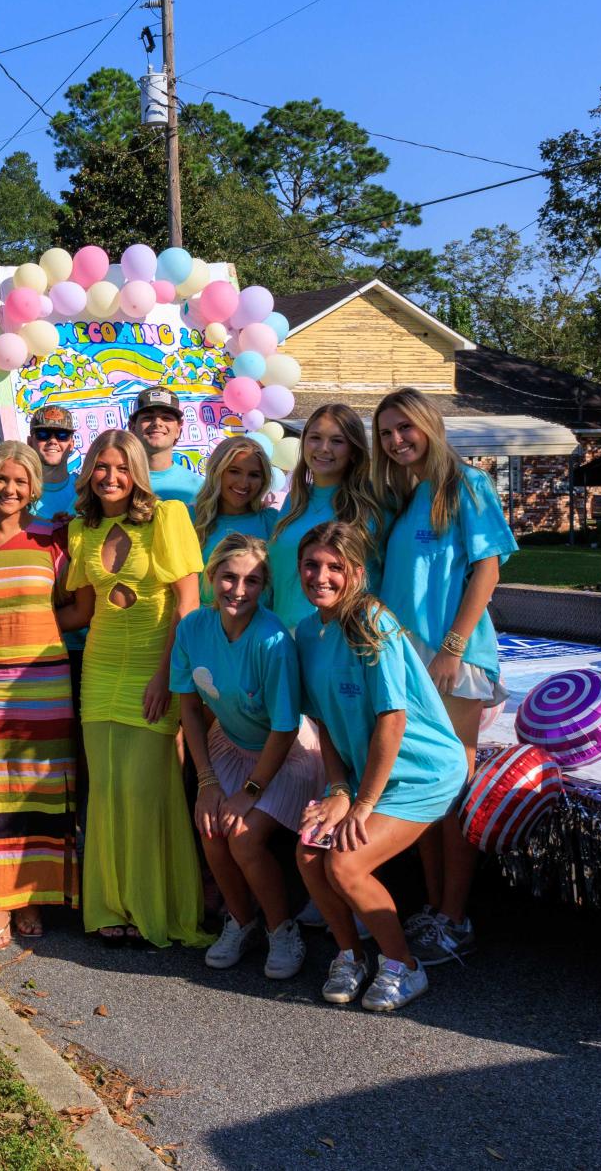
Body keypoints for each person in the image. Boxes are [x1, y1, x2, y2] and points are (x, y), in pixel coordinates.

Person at [293, 521, 467, 1013]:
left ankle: (401, 965)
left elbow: (392, 721)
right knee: (309, 851)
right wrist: (336, 789)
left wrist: (362, 805)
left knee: (346, 863)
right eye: (311, 564)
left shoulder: (372, 622)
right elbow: (325, 723)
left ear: (356, 572)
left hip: (421, 773)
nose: (321, 576)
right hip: (364, 778)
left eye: (335, 567)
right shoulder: (307, 632)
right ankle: (350, 954)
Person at [373, 386, 517, 969]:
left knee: (453, 790)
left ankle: (456, 917)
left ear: (430, 426)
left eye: (405, 428)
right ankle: (434, 907)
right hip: (409, 664)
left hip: (453, 662)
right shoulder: (406, 497)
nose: (396, 441)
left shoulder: (466, 486)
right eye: (385, 434)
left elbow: (487, 570)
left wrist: (454, 647)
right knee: (429, 789)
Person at [59, 429, 208, 948]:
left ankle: (150, 907)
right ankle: (107, 908)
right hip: (99, 669)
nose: (111, 477)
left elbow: (188, 610)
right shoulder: (82, 529)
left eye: (121, 468)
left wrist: (167, 675)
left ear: (138, 474)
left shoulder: (168, 517)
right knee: (105, 791)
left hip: (154, 669)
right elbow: (80, 610)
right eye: (101, 467)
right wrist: (15, 620)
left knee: (146, 792)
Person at [171, 534, 319, 978]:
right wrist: (207, 783)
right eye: (229, 577)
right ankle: (242, 921)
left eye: (252, 581)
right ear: (211, 577)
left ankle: (281, 929)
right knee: (211, 826)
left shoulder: (272, 641)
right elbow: (190, 710)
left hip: (285, 754)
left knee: (244, 835)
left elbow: (285, 726)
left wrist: (249, 792)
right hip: (228, 746)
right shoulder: (193, 627)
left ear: (265, 587)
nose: (238, 590)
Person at [0, 441, 77, 950]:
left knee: (39, 789)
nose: (9, 489)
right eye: (1, 479)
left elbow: (77, 608)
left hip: (43, 680)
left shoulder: (53, 536)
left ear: (35, 487)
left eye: (20, 482)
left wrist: (39, 631)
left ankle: (32, 895)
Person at [267, 403, 387, 629]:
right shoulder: (295, 501)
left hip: (342, 638)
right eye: (315, 438)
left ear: (353, 450)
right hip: (284, 636)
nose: (323, 448)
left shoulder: (375, 503)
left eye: (337, 441)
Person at [191, 435, 275, 603]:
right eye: (234, 471)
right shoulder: (190, 518)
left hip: (260, 626)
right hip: (204, 625)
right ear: (217, 471)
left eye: (254, 475)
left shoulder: (272, 521)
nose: (244, 483)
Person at [128, 388, 204, 504]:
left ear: (178, 429)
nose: (157, 423)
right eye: (148, 417)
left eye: (166, 418)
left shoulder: (199, 488)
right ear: (132, 427)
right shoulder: (119, 482)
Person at [28, 404, 79, 526]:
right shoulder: (19, 491)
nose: (53, 441)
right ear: (30, 442)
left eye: (62, 435)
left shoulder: (87, 489)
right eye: (43, 434)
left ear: (72, 444)